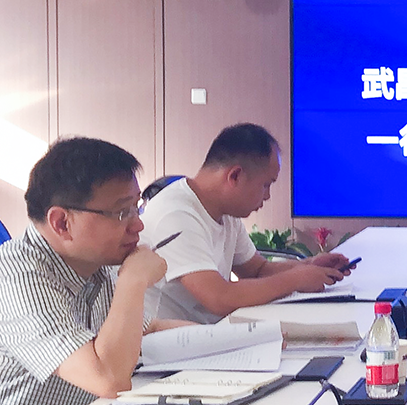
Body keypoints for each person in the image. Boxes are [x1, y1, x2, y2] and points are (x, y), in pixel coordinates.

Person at [0, 137, 181, 405]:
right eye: (121, 213)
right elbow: (109, 380)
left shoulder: (89, 263)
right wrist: (134, 281)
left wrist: (222, 342)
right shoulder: (20, 282)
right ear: (61, 222)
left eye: (136, 207)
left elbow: (143, 329)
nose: (138, 225)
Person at [142, 123, 350, 322]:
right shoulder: (175, 214)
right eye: (266, 185)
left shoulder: (226, 212)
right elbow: (219, 298)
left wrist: (309, 266)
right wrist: (296, 279)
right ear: (235, 176)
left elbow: (257, 270)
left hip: (208, 331)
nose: (267, 196)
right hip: (169, 340)